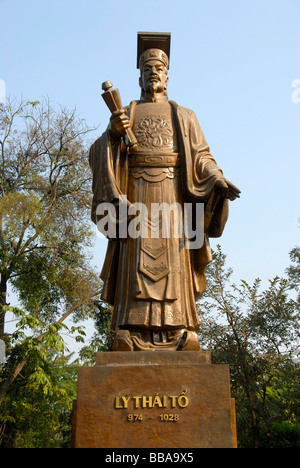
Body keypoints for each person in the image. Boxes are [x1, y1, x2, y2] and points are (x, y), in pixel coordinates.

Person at [89, 43, 240, 351]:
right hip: (136, 196)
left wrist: (217, 178)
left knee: (175, 258)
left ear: (168, 77)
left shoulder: (183, 115)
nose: (153, 74)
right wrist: (113, 133)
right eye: (147, 70)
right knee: (136, 259)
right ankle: (128, 330)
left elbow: (202, 158)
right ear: (140, 78)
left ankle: (181, 328)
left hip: (174, 198)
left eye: (159, 69)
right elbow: (97, 152)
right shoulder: (127, 112)